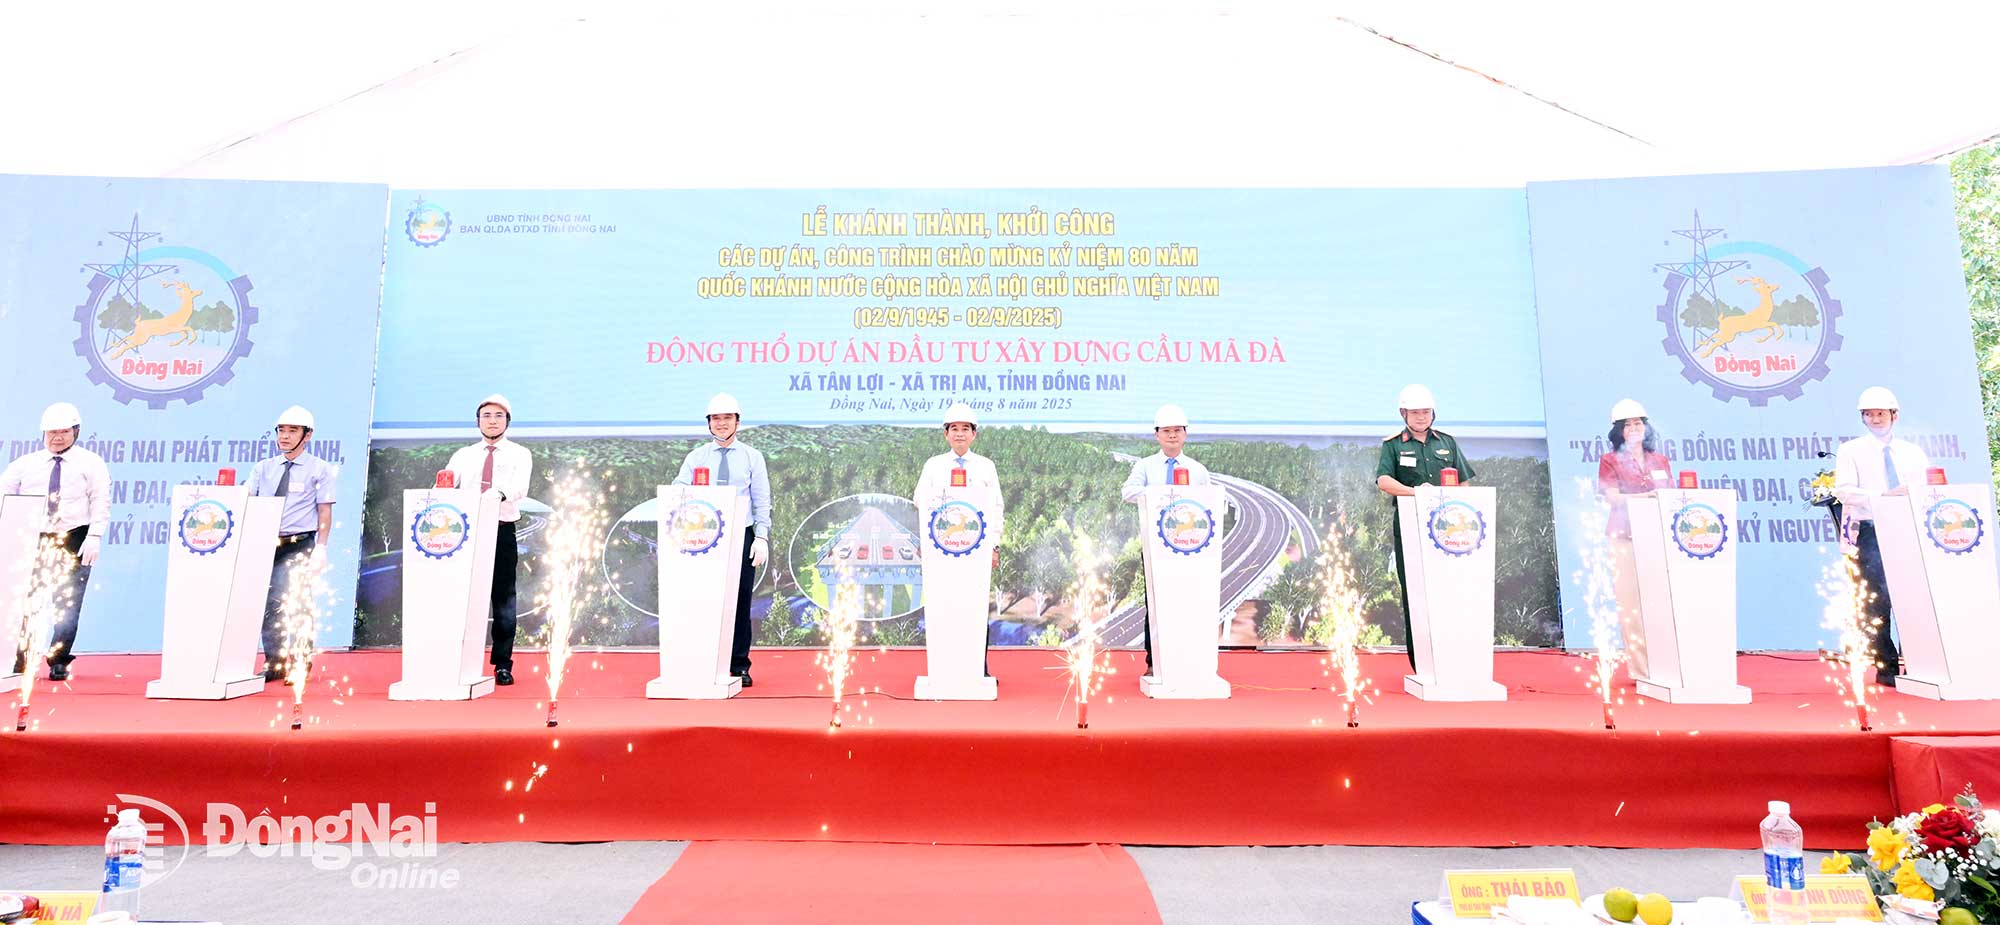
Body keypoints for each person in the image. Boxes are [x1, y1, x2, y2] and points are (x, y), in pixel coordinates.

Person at [0, 402, 109, 681]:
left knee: (67, 604)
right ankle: (20, 658)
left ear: (76, 431)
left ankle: (59, 658)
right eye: (51, 432)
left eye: (63, 431)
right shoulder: (24, 464)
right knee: (27, 601)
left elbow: (100, 500)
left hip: (75, 536)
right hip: (34, 538)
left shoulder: (91, 463)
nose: (57, 437)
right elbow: (4, 494)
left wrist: (95, 536)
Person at [671, 393, 770, 687]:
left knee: (740, 600)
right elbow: (679, 489)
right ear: (709, 424)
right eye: (716, 419)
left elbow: (761, 500)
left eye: (728, 418)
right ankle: (704, 661)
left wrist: (761, 537)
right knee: (705, 599)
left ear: (738, 422)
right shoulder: (696, 457)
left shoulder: (753, 457)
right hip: (704, 536)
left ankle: (739, 665)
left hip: (742, 534)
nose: (722, 424)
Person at [1374, 384, 1475, 671]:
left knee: (1449, 591)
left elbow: (1464, 482)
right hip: (1410, 525)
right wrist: (1418, 493)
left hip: (1449, 531)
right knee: (1416, 594)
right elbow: (1384, 481)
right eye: (1415, 412)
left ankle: (1455, 659)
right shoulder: (1393, 444)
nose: (1421, 417)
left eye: (1426, 412)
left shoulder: (1448, 442)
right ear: (1403, 413)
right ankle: (1422, 664)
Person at [1833, 386, 1930, 686]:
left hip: (1909, 532)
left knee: (1913, 598)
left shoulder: (1912, 452)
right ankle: (1886, 667)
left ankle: (1918, 663)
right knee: (1876, 602)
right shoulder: (1851, 450)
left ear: (1894, 415)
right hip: (1871, 532)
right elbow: (1844, 491)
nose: (1875, 419)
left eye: (1880, 413)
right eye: (1869, 414)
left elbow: (1925, 491)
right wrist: (1884, 495)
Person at [1121, 403, 1221, 671]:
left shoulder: (1197, 470)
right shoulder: (1146, 466)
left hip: (1190, 548)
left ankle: (1187, 660)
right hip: (1155, 546)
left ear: (1186, 434)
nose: (1172, 436)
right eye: (1166, 431)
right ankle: (1154, 662)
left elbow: (1209, 503)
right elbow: (1128, 492)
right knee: (1155, 604)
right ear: (1157, 435)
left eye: (1177, 430)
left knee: (1188, 603)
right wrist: (1158, 496)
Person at [446, 394, 532, 686]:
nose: (491, 421)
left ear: (507, 421)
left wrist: (500, 493)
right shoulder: (464, 454)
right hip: (464, 531)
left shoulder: (519, 453)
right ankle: (456, 660)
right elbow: (447, 483)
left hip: (500, 527)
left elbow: (520, 486)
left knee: (504, 597)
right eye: (486, 415)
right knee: (462, 595)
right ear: (477, 421)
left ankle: (503, 663)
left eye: (498, 416)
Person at [247, 406, 337, 682]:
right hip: (265, 543)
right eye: (281, 430)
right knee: (268, 603)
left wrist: (321, 547)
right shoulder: (264, 468)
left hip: (298, 543)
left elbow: (324, 511)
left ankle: (300, 661)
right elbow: (247, 498)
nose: (285, 437)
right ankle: (275, 661)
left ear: (307, 435)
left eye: (292, 431)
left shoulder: (319, 469)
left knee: (296, 600)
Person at [913, 403, 1006, 672]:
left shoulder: (986, 466)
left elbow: (996, 507)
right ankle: (944, 668)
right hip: (941, 550)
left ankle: (978, 668)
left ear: (974, 434)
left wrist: (994, 546)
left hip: (975, 550)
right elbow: (920, 500)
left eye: (966, 429)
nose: (960, 434)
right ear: (946, 434)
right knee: (944, 606)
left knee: (974, 608)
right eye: (954, 429)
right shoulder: (933, 466)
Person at [1596, 398, 1672, 681]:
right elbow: (1613, 498)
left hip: (1657, 537)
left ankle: (1665, 664)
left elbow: (1670, 496)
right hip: (1623, 537)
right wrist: (1645, 498)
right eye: (1627, 425)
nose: (1634, 429)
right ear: (1618, 431)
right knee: (1632, 605)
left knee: (1660, 602)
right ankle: (1641, 670)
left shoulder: (1660, 460)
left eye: (1638, 423)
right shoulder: (1610, 460)